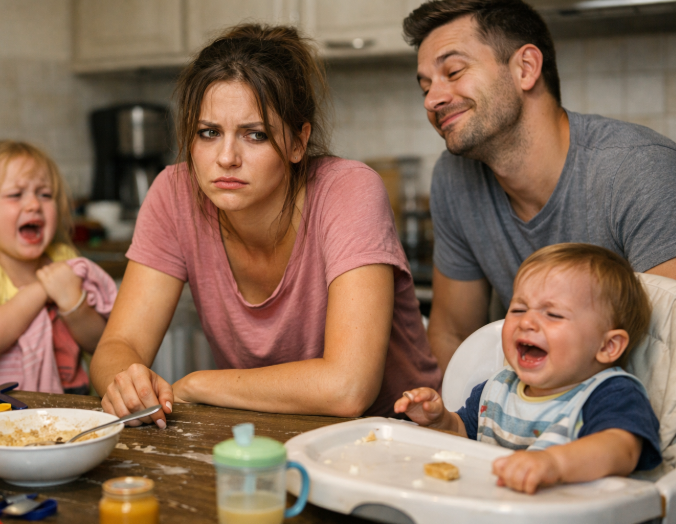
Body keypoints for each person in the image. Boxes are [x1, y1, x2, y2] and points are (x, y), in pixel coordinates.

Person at [90, 24, 441, 428]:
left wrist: (195, 385)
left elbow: (348, 388)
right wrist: (125, 381)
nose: (226, 158)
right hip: (267, 437)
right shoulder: (175, 193)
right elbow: (119, 345)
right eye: (208, 133)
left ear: (298, 142)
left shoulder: (348, 190)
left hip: (397, 441)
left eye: (254, 135)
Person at [402, 0, 676, 374]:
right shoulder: (454, 177)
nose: (432, 99)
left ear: (526, 68)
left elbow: (667, 352)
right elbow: (452, 334)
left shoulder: (638, 170)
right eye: (424, 87)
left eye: (453, 70)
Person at [395, 243, 661, 494]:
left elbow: (622, 449)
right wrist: (439, 420)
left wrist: (554, 464)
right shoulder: (497, 388)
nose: (527, 322)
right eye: (519, 309)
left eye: (553, 314)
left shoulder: (611, 394)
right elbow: (463, 435)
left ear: (608, 346)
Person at [0, 140, 111, 393]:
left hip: (61, 409)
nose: (34, 205)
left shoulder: (63, 257)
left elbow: (102, 344)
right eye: (15, 195)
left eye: (45, 195)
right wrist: (42, 289)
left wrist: (73, 303)